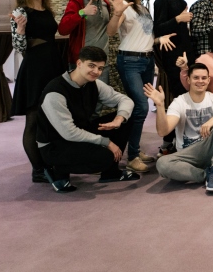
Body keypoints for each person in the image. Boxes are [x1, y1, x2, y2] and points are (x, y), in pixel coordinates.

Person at [37, 47, 139, 193]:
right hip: (55, 145)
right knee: (104, 157)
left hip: (79, 131)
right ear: (79, 63)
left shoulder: (94, 84)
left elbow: (125, 100)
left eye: (100, 68)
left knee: (126, 119)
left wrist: (119, 119)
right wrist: (107, 142)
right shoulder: (55, 92)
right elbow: (69, 133)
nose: (96, 71)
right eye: (91, 65)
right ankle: (57, 170)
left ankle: (110, 173)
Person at [106, 0, 175, 173]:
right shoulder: (125, 8)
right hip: (129, 61)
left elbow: (144, 37)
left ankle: (134, 151)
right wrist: (117, 12)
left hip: (146, 61)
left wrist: (158, 40)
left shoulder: (144, 9)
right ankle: (132, 156)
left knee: (140, 108)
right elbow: (111, 32)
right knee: (141, 107)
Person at [145, 64, 213, 193]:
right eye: (196, 77)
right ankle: (211, 175)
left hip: (210, 148)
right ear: (188, 80)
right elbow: (163, 131)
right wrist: (159, 105)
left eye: (204, 78)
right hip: (188, 154)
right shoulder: (179, 102)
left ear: (208, 80)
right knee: (162, 164)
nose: (200, 81)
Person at [10, 0, 66, 183]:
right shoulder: (20, 11)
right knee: (33, 119)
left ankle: (49, 160)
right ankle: (37, 169)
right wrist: (21, 30)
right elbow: (18, 47)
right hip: (35, 67)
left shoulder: (46, 9)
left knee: (52, 116)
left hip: (52, 63)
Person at [153, 0, 195, 155]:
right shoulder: (163, 0)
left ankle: (184, 137)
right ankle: (168, 141)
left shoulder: (182, 1)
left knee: (186, 96)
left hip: (185, 55)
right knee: (175, 98)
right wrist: (178, 19)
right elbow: (159, 28)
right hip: (171, 57)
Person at [58, 0, 112, 77]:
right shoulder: (77, 2)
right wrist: (82, 12)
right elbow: (63, 30)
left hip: (101, 62)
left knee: (101, 93)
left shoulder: (106, 3)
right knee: (79, 93)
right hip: (82, 62)